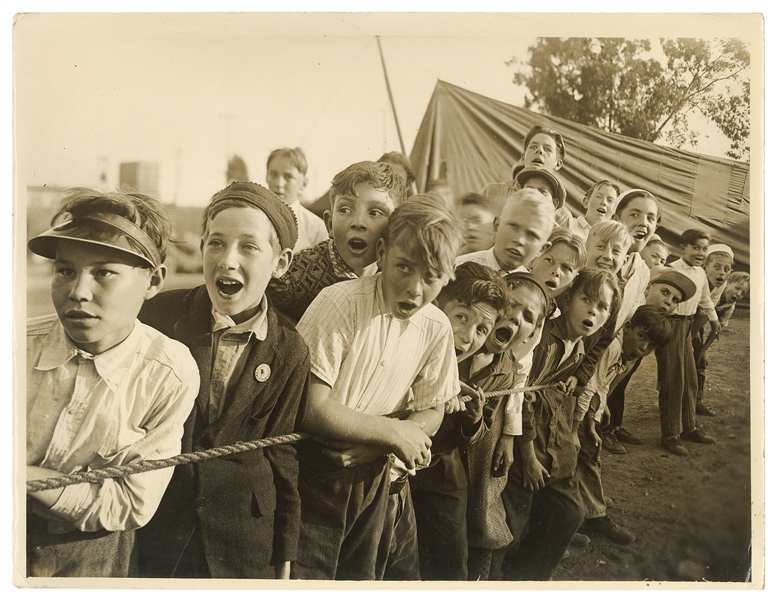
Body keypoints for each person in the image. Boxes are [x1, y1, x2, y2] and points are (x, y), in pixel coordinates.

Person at [135, 182, 310, 578]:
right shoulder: (158, 317)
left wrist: (284, 550)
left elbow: (282, 454)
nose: (227, 260)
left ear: (280, 263)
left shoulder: (291, 349)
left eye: (248, 247)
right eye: (216, 243)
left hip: (245, 543)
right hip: (161, 529)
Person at [26, 188, 200, 577]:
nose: (78, 292)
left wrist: (24, 477)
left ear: (153, 281)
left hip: (95, 560)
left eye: (103, 272)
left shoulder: (166, 373)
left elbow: (129, 504)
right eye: (65, 270)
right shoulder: (15, 350)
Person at [292, 196, 462, 580]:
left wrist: (383, 442)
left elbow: (433, 408)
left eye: (431, 277)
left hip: (377, 479)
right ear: (382, 253)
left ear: (448, 276)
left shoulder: (435, 327)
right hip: (314, 478)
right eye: (404, 267)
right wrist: (392, 432)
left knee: (364, 578)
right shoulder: (341, 304)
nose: (415, 289)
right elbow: (310, 406)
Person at [501, 267, 621, 581]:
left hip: (551, 437)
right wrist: (527, 456)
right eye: (587, 300)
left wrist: (579, 376)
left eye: (603, 308)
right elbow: (521, 395)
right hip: (519, 439)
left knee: (571, 512)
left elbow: (602, 342)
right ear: (567, 302)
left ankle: (531, 579)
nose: (594, 311)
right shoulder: (545, 341)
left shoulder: (581, 345)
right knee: (511, 528)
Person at [409, 262, 510, 580]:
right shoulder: (405, 344)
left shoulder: (472, 368)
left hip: (443, 473)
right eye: (462, 318)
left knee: (451, 564)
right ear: (438, 305)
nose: (468, 337)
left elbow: (473, 437)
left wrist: (474, 417)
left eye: (482, 329)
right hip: (391, 475)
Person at [463, 273, 551, 581]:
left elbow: (516, 390)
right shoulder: (458, 346)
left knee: (485, 506)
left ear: (531, 333)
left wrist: (508, 437)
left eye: (527, 317)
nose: (515, 316)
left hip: (482, 446)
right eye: (511, 305)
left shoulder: (509, 367)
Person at [574, 305, 672, 545]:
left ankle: (588, 505)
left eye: (651, 347)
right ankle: (593, 515)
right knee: (586, 452)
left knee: (588, 454)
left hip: (586, 406)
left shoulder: (627, 356)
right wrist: (587, 422)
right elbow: (590, 386)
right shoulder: (612, 347)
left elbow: (603, 386)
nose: (644, 348)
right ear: (628, 328)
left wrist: (601, 408)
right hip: (574, 405)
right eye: (641, 338)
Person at [267, 161, 405, 322]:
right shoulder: (291, 279)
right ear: (329, 224)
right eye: (345, 210)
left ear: (395, 227)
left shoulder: (400, 274)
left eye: (375, 213)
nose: (358, 222)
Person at [600, 266, 697, 454]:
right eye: (664, 292)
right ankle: (604, 428)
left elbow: (625, 370)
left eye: (674, 300)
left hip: (618, 362)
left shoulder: (652, 321)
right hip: (603, 356)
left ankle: (613, 426)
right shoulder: (632, 309)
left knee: (621, 382)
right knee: (608, 379)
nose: (667, 302)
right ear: (648, 288)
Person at [655, 229, 719, 456]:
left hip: (688, 326)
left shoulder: (701, 274)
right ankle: (670, 435)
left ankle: (689, 427)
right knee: (673, 379)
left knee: (690, 379)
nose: (701, 252)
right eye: (696, 247)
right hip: (670, 324)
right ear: (683, 248)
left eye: (704, 248)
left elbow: (705, 300)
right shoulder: (671, 270)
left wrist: (713, 320)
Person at [481, 124, 573, 227]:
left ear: (558, 164)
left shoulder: (563, 217)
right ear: (523, 157)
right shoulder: (492, 193)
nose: (539, 151)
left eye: (547, 149)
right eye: (533, 147)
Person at [456, 188, 555, 276]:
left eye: (531, 235)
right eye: (513, 227)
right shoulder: (456, 270)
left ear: (542, 249)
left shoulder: (531, 292)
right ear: (496, 226)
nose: (519, 240)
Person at [692, 244, 735, 417]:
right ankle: (677, 399)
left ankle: (697, 401)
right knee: (681, 361)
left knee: (699, 360)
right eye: (717, 267)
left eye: (726, 269)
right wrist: (687, 339)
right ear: (705, 267)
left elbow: (706, 313)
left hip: (697, 321)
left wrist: (703, 350)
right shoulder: (696, 279)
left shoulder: (721, 287)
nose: (722, 273)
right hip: (679, 318)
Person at [266, 147, 328, 253]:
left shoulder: (315, 227)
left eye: (288, 176)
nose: (278, 183)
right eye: (273, 175)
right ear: (266, 177)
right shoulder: (253, 218)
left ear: (303, 184)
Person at [527, 228, 587, 305]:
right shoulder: (507, 286)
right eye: (550, 260)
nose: (556, 271)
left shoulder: (556, 316)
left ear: (573, 280)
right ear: (533, 258)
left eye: (566, 268)